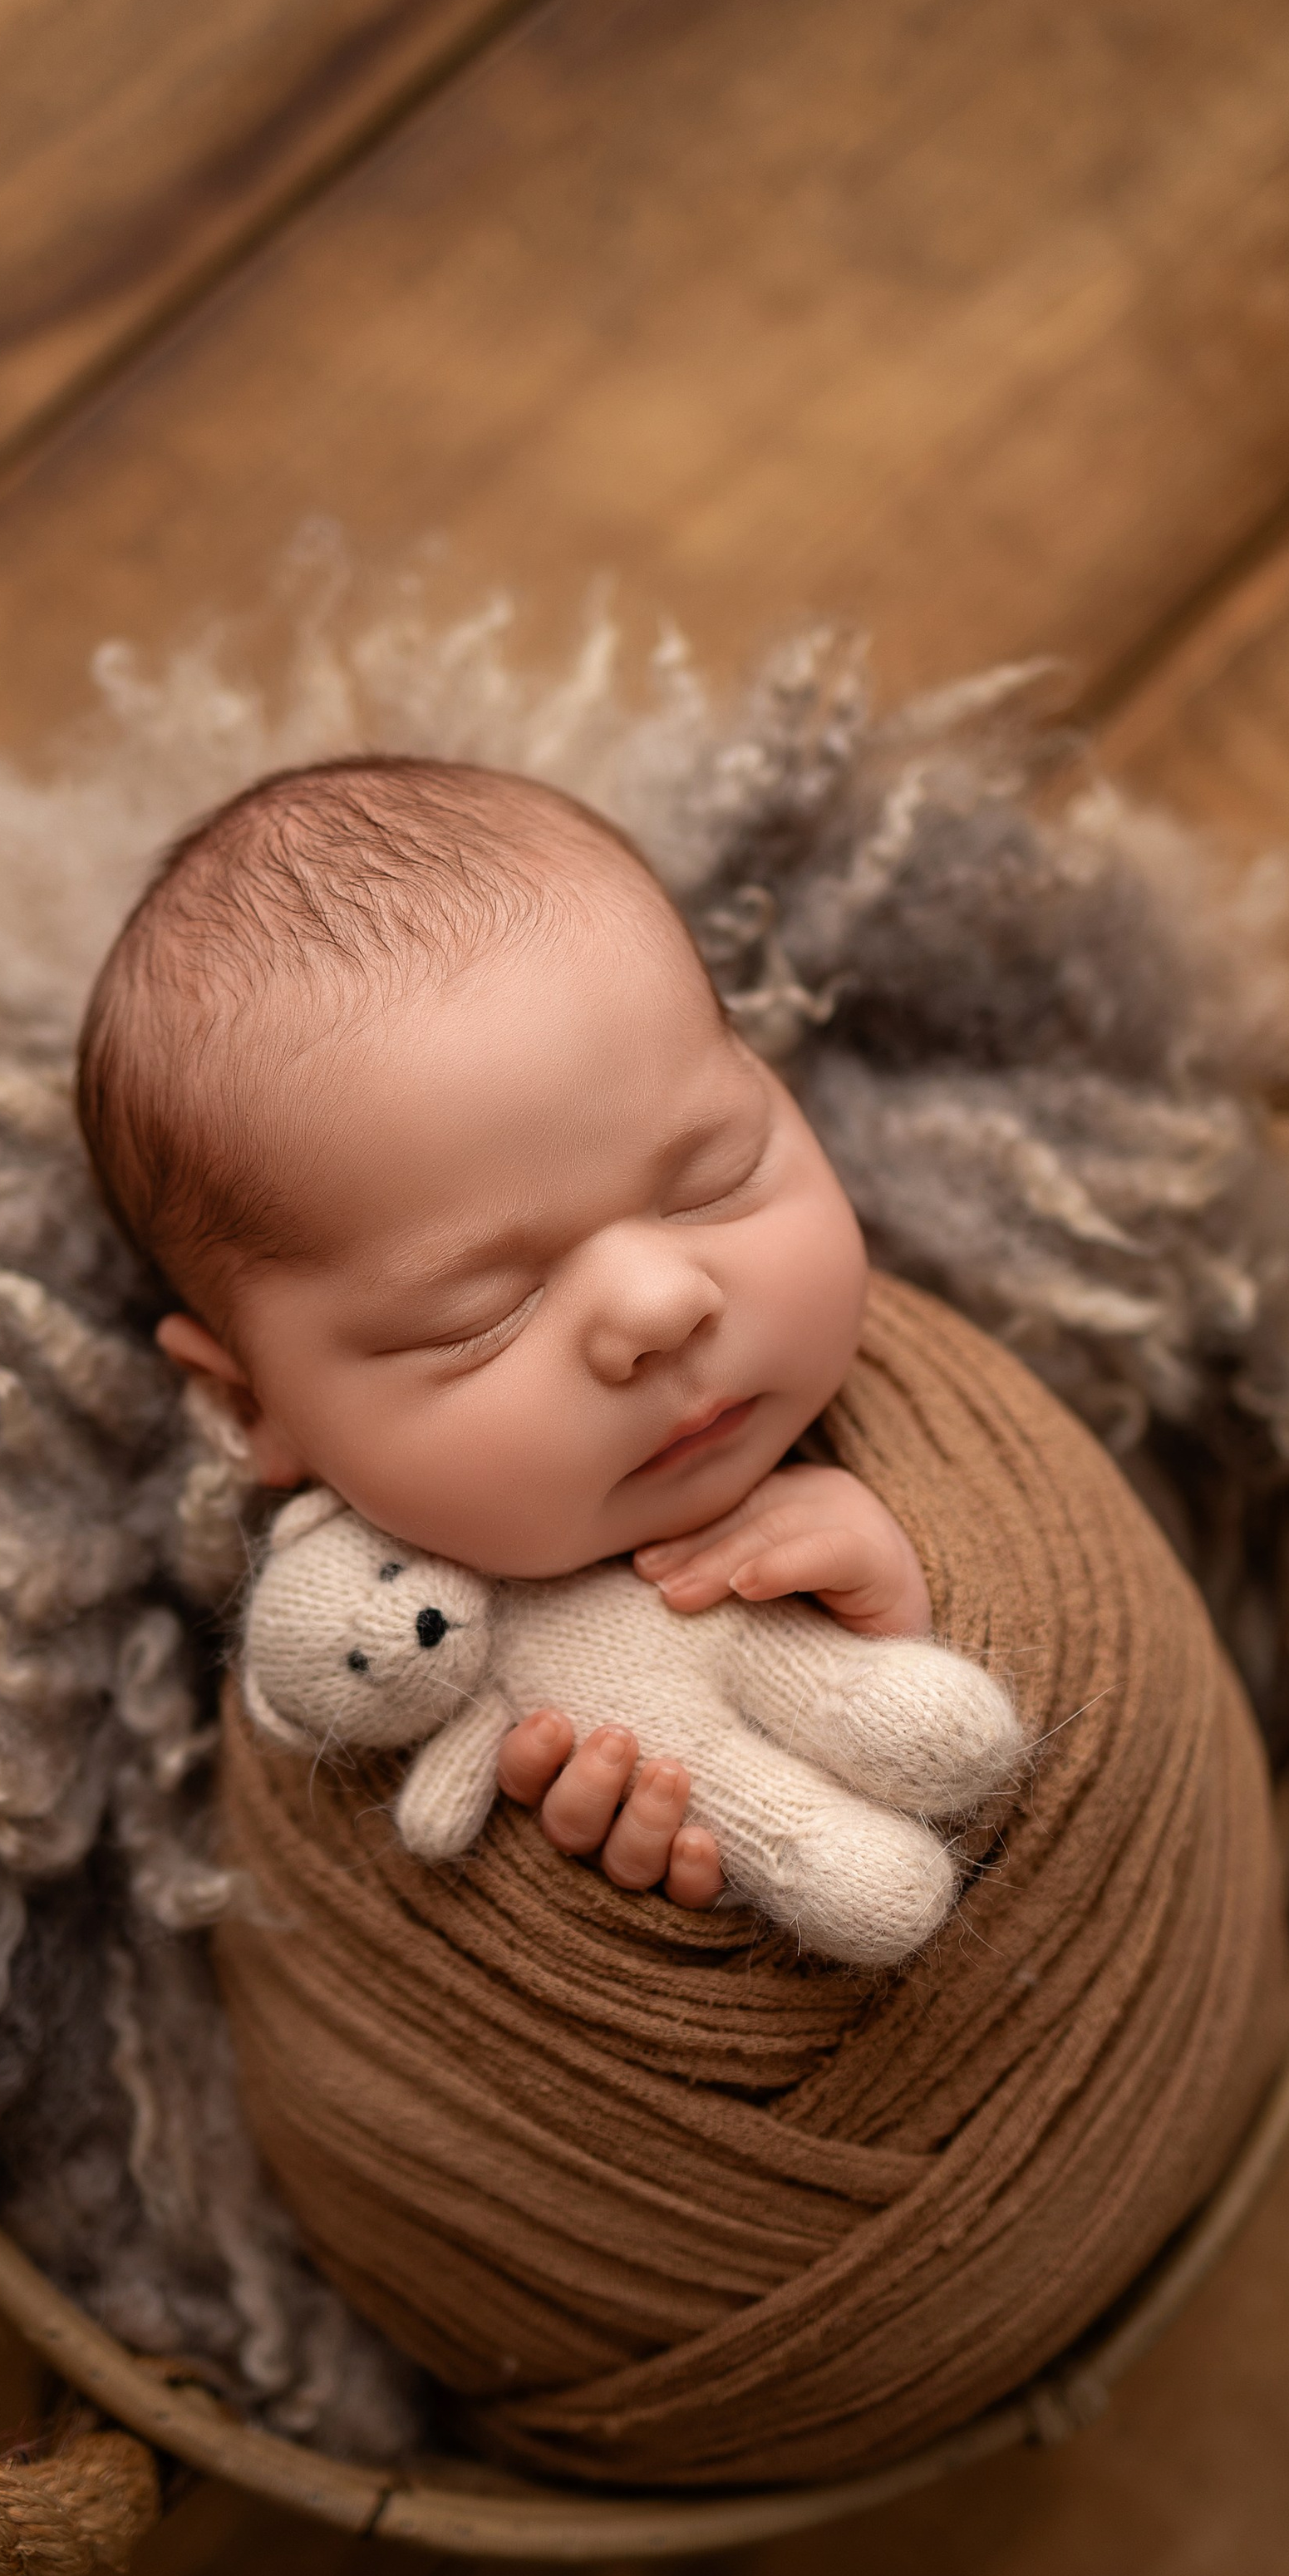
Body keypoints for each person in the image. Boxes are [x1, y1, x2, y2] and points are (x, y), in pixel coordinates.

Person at [77, 754, 935, 1912]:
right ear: (249, 1405)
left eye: (713, 1175)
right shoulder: (355, 1660)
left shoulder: (924, 1389)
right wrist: (588, 1903)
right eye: (479, 1316)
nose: (658, 1307)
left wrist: (915, 1605)